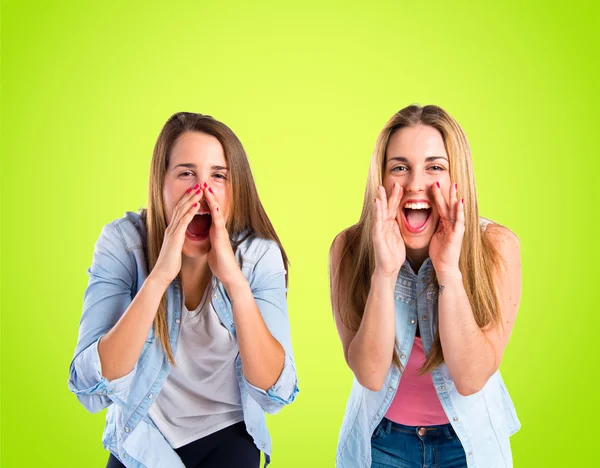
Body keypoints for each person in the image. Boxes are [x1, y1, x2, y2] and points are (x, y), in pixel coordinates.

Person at [68, 112, 298, 468]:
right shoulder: (122, 243)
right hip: (141, 436)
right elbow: (91, 388)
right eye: (186, 173)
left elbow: (276, 394)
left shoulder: (257, 257)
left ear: (235, 189)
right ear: (160, 184)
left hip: (229, 433)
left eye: (218, 176)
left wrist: (235, 283)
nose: (201, 191)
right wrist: (159, 275)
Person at [330, 105, 521, 467]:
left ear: (456, 179)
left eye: (435, 167)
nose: (415, 184)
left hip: (468, 446)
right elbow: (370, 375)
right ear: (381, 178)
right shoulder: (349, 249)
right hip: (380, 444)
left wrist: (449, 271)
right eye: (399, 167)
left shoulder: (497, 247)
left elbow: (470, 378)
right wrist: (384, 272)